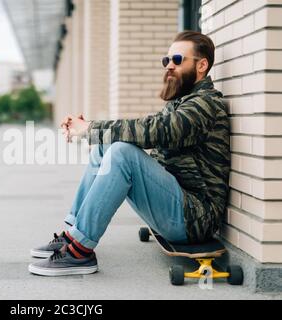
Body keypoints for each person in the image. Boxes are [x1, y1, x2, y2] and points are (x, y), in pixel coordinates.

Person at [28, 31, 231, 277]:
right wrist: (92, 127)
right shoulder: (182, 102)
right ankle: (72, 234)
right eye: (166, 61)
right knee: (107, 146)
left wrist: (90, 129)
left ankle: (80, 252)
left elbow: (159, 131)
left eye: (177, 60)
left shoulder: (205, 105)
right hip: (178, 204)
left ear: (201, 65)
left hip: (195, 218)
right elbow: (147, 125)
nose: (169, 66)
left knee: (122, 152)